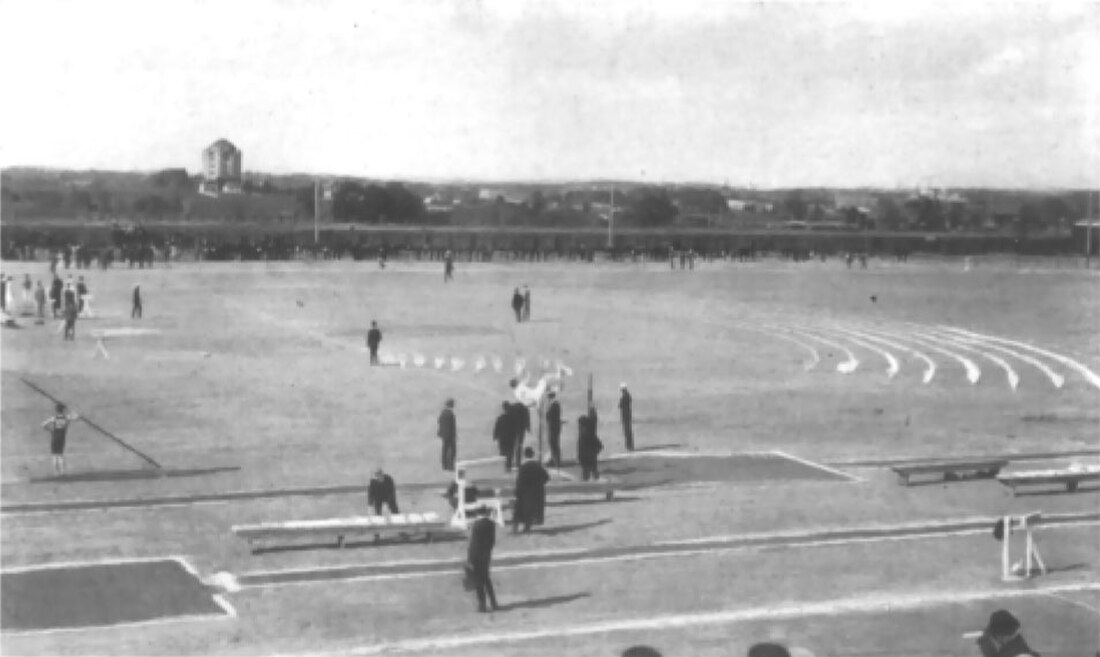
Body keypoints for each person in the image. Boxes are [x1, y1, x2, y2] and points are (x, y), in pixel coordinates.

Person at [465, 505, 499, 613]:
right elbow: (492, 542)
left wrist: (470, 559)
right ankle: (494, 603)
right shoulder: (491, 524)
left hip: (476, 557)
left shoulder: (477, 525)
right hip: (486, 556)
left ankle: (482, 605)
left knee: (479, 582)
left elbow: (473, 544)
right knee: (487, 580)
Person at [512, 447, 549, 534]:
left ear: (525, 455)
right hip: (536, 493)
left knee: (518, 511)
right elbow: (546, 478)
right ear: (532, 454)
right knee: (530, 511)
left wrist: (517, 492)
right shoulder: (537, 466)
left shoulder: (523, 467)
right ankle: (527, 528)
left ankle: (515, 529)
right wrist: (538, 484)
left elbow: (519, 481)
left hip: (524, 493)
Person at [42, 403, 79, 476]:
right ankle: (62, 472)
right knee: (60, 455)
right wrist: (70, 411)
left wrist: (50, 430)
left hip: (54, 437)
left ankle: (56, 472)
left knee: (54, 455)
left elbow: (43, 424)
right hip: (61, 438)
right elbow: (76, 417)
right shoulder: (66, 418)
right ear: (63, 410)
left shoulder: (54, 418)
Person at [577, 413, 603, 481]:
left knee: (594, 476)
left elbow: (600, 446)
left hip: (590, 460)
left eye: (581, 426)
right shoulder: (582, 437)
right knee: (587, 477)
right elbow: (580, 449)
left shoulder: (590, 436)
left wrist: (593, 453)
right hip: (585, 461)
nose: (580, 428)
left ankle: (597, 486)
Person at [493, 402, 516, 472]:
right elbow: (515, 429)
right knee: (510, 452)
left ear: (503, 408)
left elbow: (496, 428)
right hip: (510, 438)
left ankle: (503, 467)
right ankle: (508, 466)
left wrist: (495, 436)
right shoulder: (512, 418)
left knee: (503, 452)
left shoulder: (500, 418)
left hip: (502, 438)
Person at [508, 400, 531, 468]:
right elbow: (527, 418)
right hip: (521, 429)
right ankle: (518, 462)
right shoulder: (524, 408)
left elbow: (509, 417)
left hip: (513, 429)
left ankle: (510, 463)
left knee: (512, 446)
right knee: (519, 446)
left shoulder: (513, 407)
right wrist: (528, 427)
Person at [438, 398, 457, 471]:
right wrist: (453, 436)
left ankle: (444, 465)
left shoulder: (443, 412)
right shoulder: (450, 414)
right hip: (449, 435)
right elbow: (452, 426)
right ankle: (450, 466)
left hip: (444, 435)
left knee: (445, 450)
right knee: (452, 451)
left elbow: (439, 422)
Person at [545, 391, 563, 467]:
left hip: (554, 427)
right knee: (553, 443)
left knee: (554, 443)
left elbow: (550, 416)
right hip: (553, 427)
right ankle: (554, 459)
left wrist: (547, 411)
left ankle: (556, 461)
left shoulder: (554, 405)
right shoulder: (554, 405)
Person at [619, 383, 634, 451]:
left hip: (626, 415)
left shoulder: (625, 397)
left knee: (627, 431)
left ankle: (629, 446)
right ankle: (629, 445)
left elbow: (620, 405)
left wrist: (620, 402)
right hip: (627, 415)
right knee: (628, 430)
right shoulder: (627, 396)